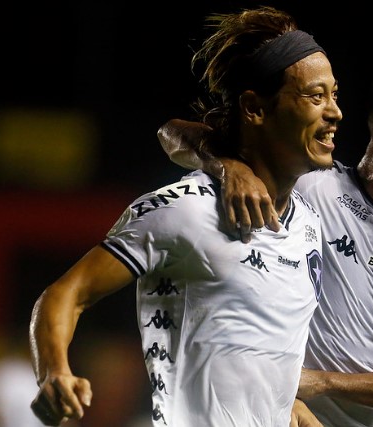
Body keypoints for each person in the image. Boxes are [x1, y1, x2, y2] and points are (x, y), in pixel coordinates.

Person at [29, 6, 343, 427]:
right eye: (315, 96)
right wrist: (54, 372)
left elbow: (250, 356)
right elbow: (67, 294)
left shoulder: (308, 223)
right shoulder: (184, 209)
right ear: (255, 108)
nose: (335, 111)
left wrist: (283, 405)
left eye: (335, 95)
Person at [157, 64, 373, 427]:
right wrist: (229, 166)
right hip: (260, 413)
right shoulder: (311, 186)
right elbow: (173, 133)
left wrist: (319, 382)